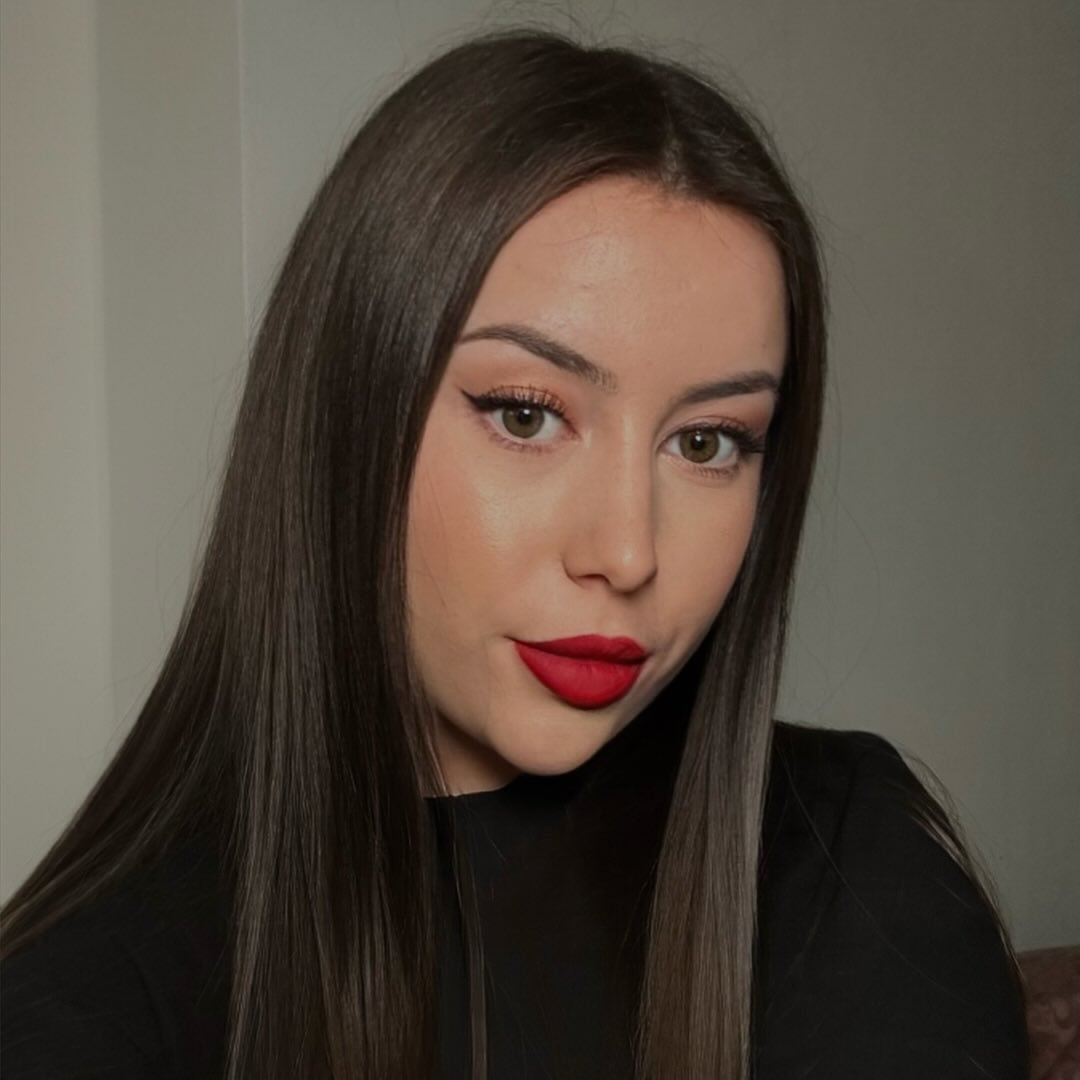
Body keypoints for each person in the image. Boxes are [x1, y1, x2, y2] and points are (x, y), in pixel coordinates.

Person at [0, 26, 1028, 1080]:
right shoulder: (86, 1003)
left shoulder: (844, 862)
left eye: (708, 442)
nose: (627, 552)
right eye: (527, 415)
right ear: (346, 416)